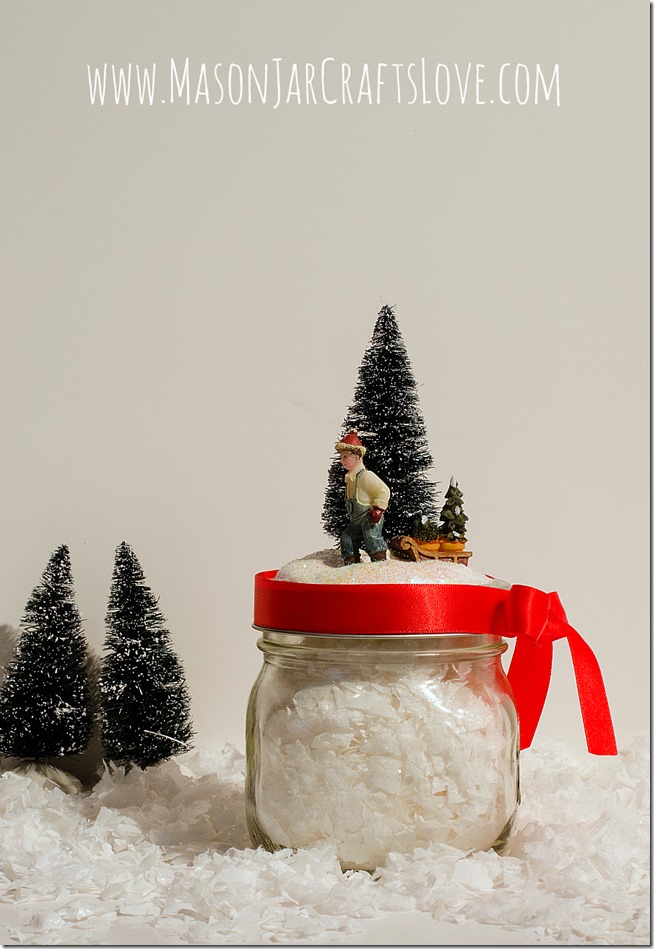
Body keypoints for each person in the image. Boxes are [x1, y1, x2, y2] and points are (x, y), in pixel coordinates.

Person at [335, 431, 390, 565]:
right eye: (341, 457)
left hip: (369, 517)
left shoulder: (366, 476)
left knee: (372, 538)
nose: (343, 461)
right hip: (356, 520)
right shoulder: (350, 479)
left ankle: (380, 564)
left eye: (346, 457)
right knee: (347, 538)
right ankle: (352, 565)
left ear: (358, 457)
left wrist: (378, 508)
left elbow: (383, 490)